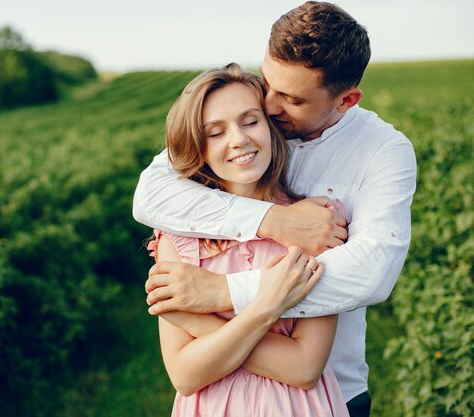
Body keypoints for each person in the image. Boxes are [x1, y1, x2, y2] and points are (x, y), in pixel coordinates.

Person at [133, 2, 417, 417]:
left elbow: (370, 273)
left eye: (291, 98)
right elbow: (151, 194)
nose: (268, 105)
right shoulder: (251, 122)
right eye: (267, 83)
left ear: (346, 100)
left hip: (328, 391)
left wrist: (219, 298)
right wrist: (274, 220)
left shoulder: (383, 153)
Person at [149, 62, 349, 417]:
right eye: (215, 132)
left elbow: (304, 368)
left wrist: (204, 325)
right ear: (198, 148)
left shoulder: (313, 224)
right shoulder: (179, 239)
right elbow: (184, 374)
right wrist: (265, 308)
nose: (238, 139)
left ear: (270, 127)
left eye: (250, 121)